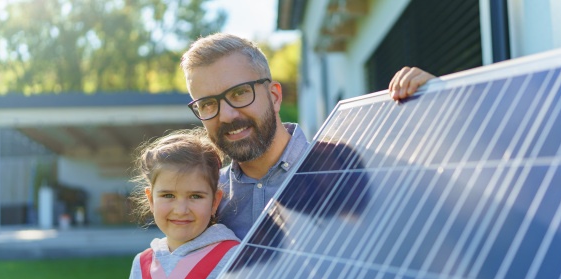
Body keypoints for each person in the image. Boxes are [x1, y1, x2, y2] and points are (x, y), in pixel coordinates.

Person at [180, 33, 435, 240]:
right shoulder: (206, 199)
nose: (226, 115)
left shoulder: (351, 170)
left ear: (275, 96)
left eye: (239, 93)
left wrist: (447, 104)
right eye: (208, 104)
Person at [128, 128, 239, 279]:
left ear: (215, 202)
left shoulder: (233, 258)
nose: (181, 210)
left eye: (195, 196)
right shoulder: (141, 263)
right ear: (151, 200)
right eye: (168, 195)